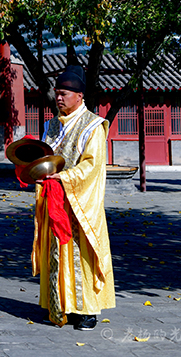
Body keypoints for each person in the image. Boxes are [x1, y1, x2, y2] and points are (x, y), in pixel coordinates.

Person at [33, 65, 114, 330]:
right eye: (57, 93)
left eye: (64, 94)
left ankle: (85, 311)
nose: (58, 98)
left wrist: (64, 179)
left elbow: (92, 166)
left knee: (80, 255)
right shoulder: (52, 125)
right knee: (56, 253)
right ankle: (58, 305)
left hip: (79, 202)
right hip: (54, 199)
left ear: (80, 96)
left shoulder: (93, 126)